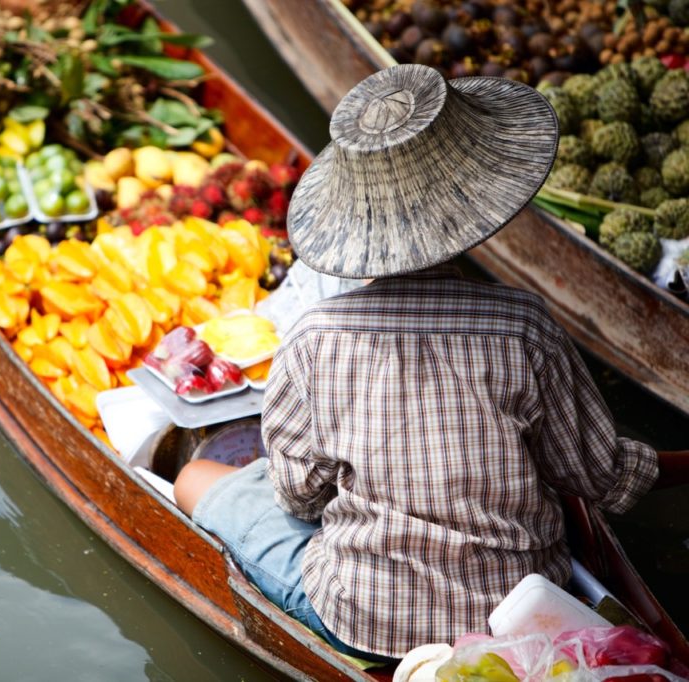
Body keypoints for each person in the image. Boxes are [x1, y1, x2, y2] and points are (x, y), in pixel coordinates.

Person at [173, 63, 659, 663]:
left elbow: (298, 497)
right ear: (475, 196)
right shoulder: (524, 325)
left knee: (195, 478)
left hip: (363, 618)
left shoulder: (314, 339)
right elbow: (600, 478)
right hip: (519, 614)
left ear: (354, 222)